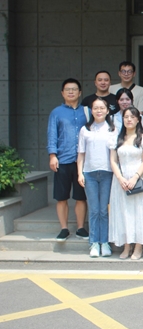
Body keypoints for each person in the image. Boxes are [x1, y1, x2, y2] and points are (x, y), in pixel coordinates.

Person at [108, 107, 143, 260]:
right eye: (126, 117)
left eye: (132, 117)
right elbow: (113, 161)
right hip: (120, 181)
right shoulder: (116, 138)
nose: (129, 119)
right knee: (123, 212)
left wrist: (135, 177)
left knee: (139, 212)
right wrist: (120, 178)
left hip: (139, 179)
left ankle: (138, 246)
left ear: (138, 120)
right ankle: (126, 245)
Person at [47, 78, 89, 242]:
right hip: (62, 160)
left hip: (82, 161)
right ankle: (64, 228)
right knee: (61, 196)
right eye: (67, 89)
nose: (71, 92)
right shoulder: (56, 112)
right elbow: (52, 134)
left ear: (80, 92)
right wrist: (52, 155)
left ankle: (80, 228)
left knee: (81, 197)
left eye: (74, 89)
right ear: (62, 93)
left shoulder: (87, 112)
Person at [77, 98, 115, 257]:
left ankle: (104, 242)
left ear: (107, 110)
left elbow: (115, 154)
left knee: (104, 210)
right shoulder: (85, 130)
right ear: (91, 111)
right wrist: (80, 173)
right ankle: (94, 243)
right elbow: (81, 154)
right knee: (93, 210)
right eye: (96, 108)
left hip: (107, 173)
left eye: (102, 108)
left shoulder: (113, 129)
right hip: (90, 173)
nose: (99, 111)